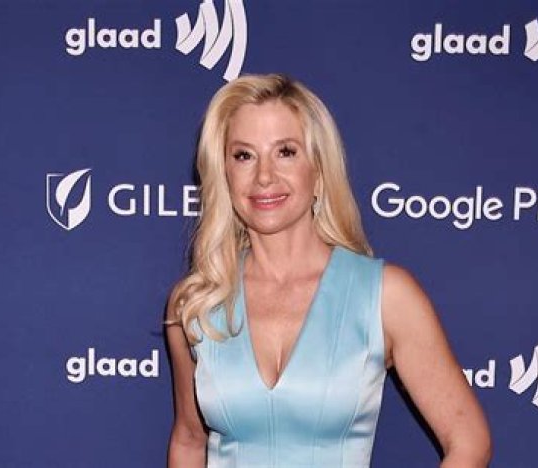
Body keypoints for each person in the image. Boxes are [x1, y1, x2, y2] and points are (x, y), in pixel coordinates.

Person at [165, 74, 491, 467]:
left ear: (318, 171)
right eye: (244, 156)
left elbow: (468, 442)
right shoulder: (197, 303)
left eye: (286, 152)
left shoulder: (385, 296)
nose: (264, 176)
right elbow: (189, 440)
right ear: (224, 174)